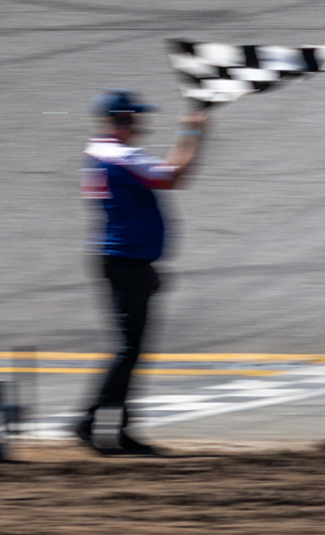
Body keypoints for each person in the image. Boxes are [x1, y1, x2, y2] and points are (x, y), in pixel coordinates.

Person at [76, 89, 207, 456]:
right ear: (119, 120)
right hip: (126, 260)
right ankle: (91, 422)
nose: (139, 125)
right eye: (133, 119)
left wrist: (147, 264)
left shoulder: (97, 154)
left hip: (126, 259)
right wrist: (192, 133)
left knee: (132, 348)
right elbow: (173, 177)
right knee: (129, 348)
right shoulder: (119, 155)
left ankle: (115, 427)